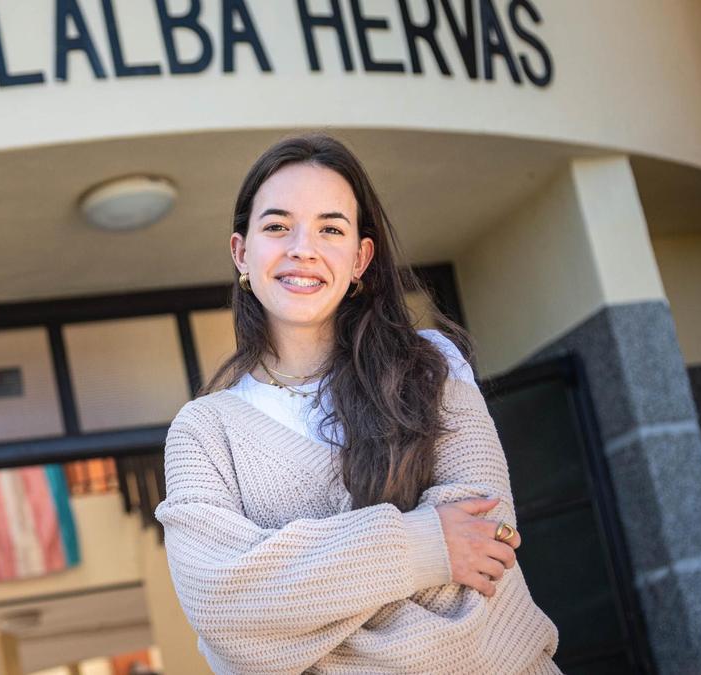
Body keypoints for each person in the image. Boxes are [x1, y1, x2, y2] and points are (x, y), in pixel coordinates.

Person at [153, 134, 561, 674]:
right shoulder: (204, 432)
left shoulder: (431, 370)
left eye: (330, 228)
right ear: (241, 253)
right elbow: (221, 607)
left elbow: (482, 565)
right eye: (277, 227)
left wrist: (293, 618)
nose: (303, 248)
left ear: (360, 258)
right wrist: (425, 543)